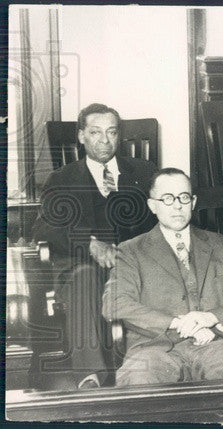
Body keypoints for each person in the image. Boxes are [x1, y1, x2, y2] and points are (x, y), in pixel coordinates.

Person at [102, 168, 223, 386]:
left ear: (193, 203)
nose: (177, 205)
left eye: (183, 197)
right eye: (167, 198)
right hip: (155, 348)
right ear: (153, 205)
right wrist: (177, 323)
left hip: (221, 343)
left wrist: (210, 318)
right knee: (139, 383)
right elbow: (115, 303)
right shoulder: (130, 251)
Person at [33, 103, 157, 388]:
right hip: (82, 265)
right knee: (85, 277)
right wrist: (87, 243)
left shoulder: (143, 171)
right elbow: (44, 227)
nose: (105, 140)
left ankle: (154, 372)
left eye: (112, 132)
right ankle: (89, 377)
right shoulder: (62, 179)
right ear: (81, 136)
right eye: (96, 132)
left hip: (134, 265)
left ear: (119, 136)